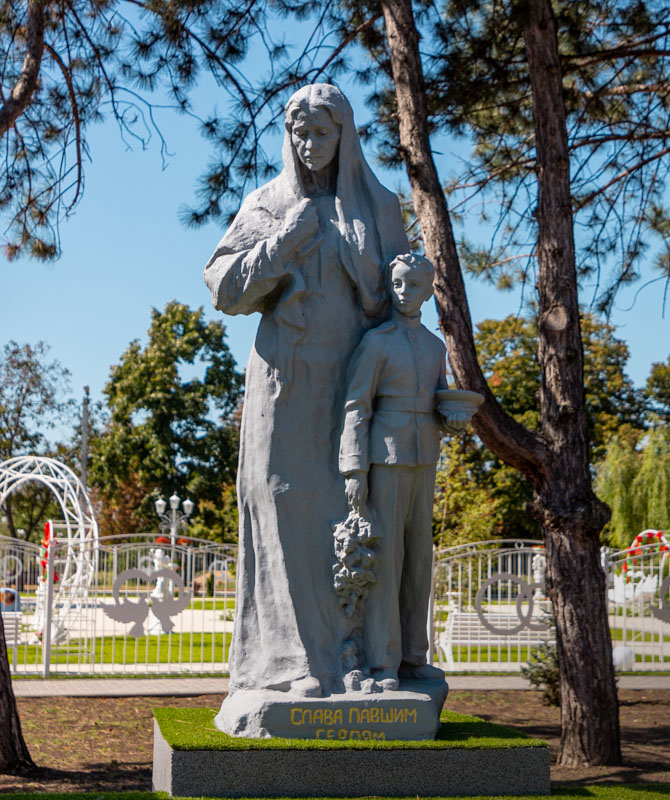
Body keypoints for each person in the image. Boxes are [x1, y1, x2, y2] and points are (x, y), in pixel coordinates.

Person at [204, 84, 410, 699]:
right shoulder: (268, 203)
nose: (310, 144)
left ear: (345, 136)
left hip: (354, 381)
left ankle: (354, 656)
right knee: (278, 499)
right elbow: (223, 289)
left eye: (322, 133)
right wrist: (283, 243)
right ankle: (290, 661)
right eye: (301, 133)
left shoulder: (379, 207)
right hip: (283, 380)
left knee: (347, 513)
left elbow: (403, 299)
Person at [339, 254, 469, 690]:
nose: (403, 292)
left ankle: (415, 656)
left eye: (413, 285)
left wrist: (452, 418)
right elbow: (356, 406)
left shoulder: (434, 347)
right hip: (385, 458)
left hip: (424, 456)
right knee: (388, 559)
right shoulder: (376, 342)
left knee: (418, 561)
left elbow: (440, 399)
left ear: (428, 290)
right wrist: (354, 467)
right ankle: (382, 662)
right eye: (397, 283)